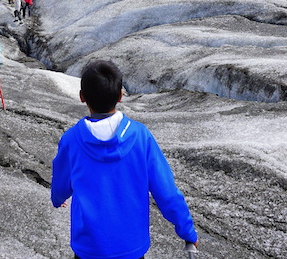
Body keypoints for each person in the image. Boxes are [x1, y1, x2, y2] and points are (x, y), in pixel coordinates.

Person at [51, 60, 199, 259]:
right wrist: (187, 231)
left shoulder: (71, 140)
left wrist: (58, 198)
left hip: (89, 247)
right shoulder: (141, 136)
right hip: (131, 247)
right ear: (121, 95)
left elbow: (60, 186)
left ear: (82, 97)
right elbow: (167, 192)